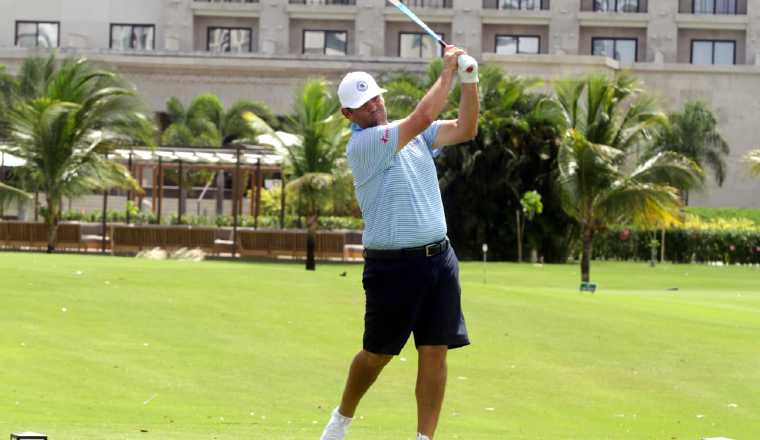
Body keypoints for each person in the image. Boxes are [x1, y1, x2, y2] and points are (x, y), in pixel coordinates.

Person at [320, 45, 480, 440]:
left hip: (439, 260)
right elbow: (423, 114)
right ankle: (342, 418)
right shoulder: (365, 145)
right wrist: (448, 71)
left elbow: (466, 128)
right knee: (378, 354)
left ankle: (424, 438)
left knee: (435, 350)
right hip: (392, 267)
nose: (373, 106)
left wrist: (470, 80)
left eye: (375, 97)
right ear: (348, 115)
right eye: (363, 104)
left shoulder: (419, 136)